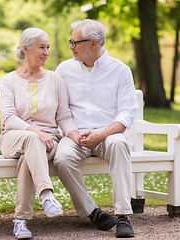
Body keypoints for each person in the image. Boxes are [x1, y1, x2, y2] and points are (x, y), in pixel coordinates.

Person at [54, 19, 138, 238]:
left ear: (93, 43)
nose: (70, 46)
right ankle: (92, 212)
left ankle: (123, 216)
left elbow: (127, 112)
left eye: (74, 42)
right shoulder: (63, 70)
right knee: (61, 158)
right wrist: (74, 134)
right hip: (75, 135)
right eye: (70, 42)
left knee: (119, 143)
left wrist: (102, 134)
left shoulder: (120, 70)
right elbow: (58, 109)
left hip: (108, 134)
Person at [0, 27, 81, 239]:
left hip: (48, 142)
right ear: (25, 48)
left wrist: (76, 137)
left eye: (48, 47)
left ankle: (20, 221)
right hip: (14, 137)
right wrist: (36, 131)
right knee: (32, 139)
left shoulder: (55, 80)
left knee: (29, 158)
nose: (46, 52)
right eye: (41, 47)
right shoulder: (9, 81)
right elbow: (9, 118)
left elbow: (63, 117)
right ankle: (46, 194)